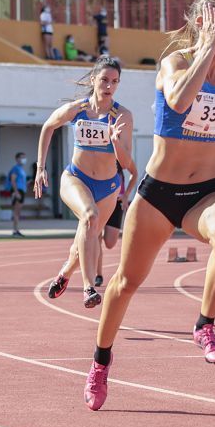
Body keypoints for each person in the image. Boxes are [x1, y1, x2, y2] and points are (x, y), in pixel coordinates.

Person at [84, 0, 215, 411]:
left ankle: (204, 325)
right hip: (159, 195)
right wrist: (207, 50)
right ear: (201, 21)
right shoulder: (173, 62)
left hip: (207, 191)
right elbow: (177, 103)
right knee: (124, 285)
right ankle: (101, 361)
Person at [37, 56, 135, 308]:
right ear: (94, 79)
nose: (109, 86)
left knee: (87, 236)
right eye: (104, 80)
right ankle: (89, 288)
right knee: (90, 217)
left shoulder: (122, 115)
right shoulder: (78, 109)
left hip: (107, 187)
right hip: (76, 178)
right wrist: (40, 168)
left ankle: (65, 273)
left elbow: (125, 163)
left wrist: (114, 140)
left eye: (115, 82)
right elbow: (48, 126)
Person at [50, 159, 137, 295]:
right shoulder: (95, 152)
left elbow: (134, 173)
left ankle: (72, 262)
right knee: (95, 236)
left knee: (110, 242)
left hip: (116, 200)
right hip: (94, 198)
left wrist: (126, 195)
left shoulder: (119, 153)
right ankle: (97, 276)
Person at [7, 153, 28, 237]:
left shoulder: (21, 169)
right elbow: (13, 180)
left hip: (22, 191)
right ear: (17, 159)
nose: (24, 159)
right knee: (16, 212)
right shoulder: (15, 168)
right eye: (22, 157)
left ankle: (16, 229)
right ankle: (15, 230)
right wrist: (16, 192)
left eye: (24, 157)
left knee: (18, 212)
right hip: (18, 191)